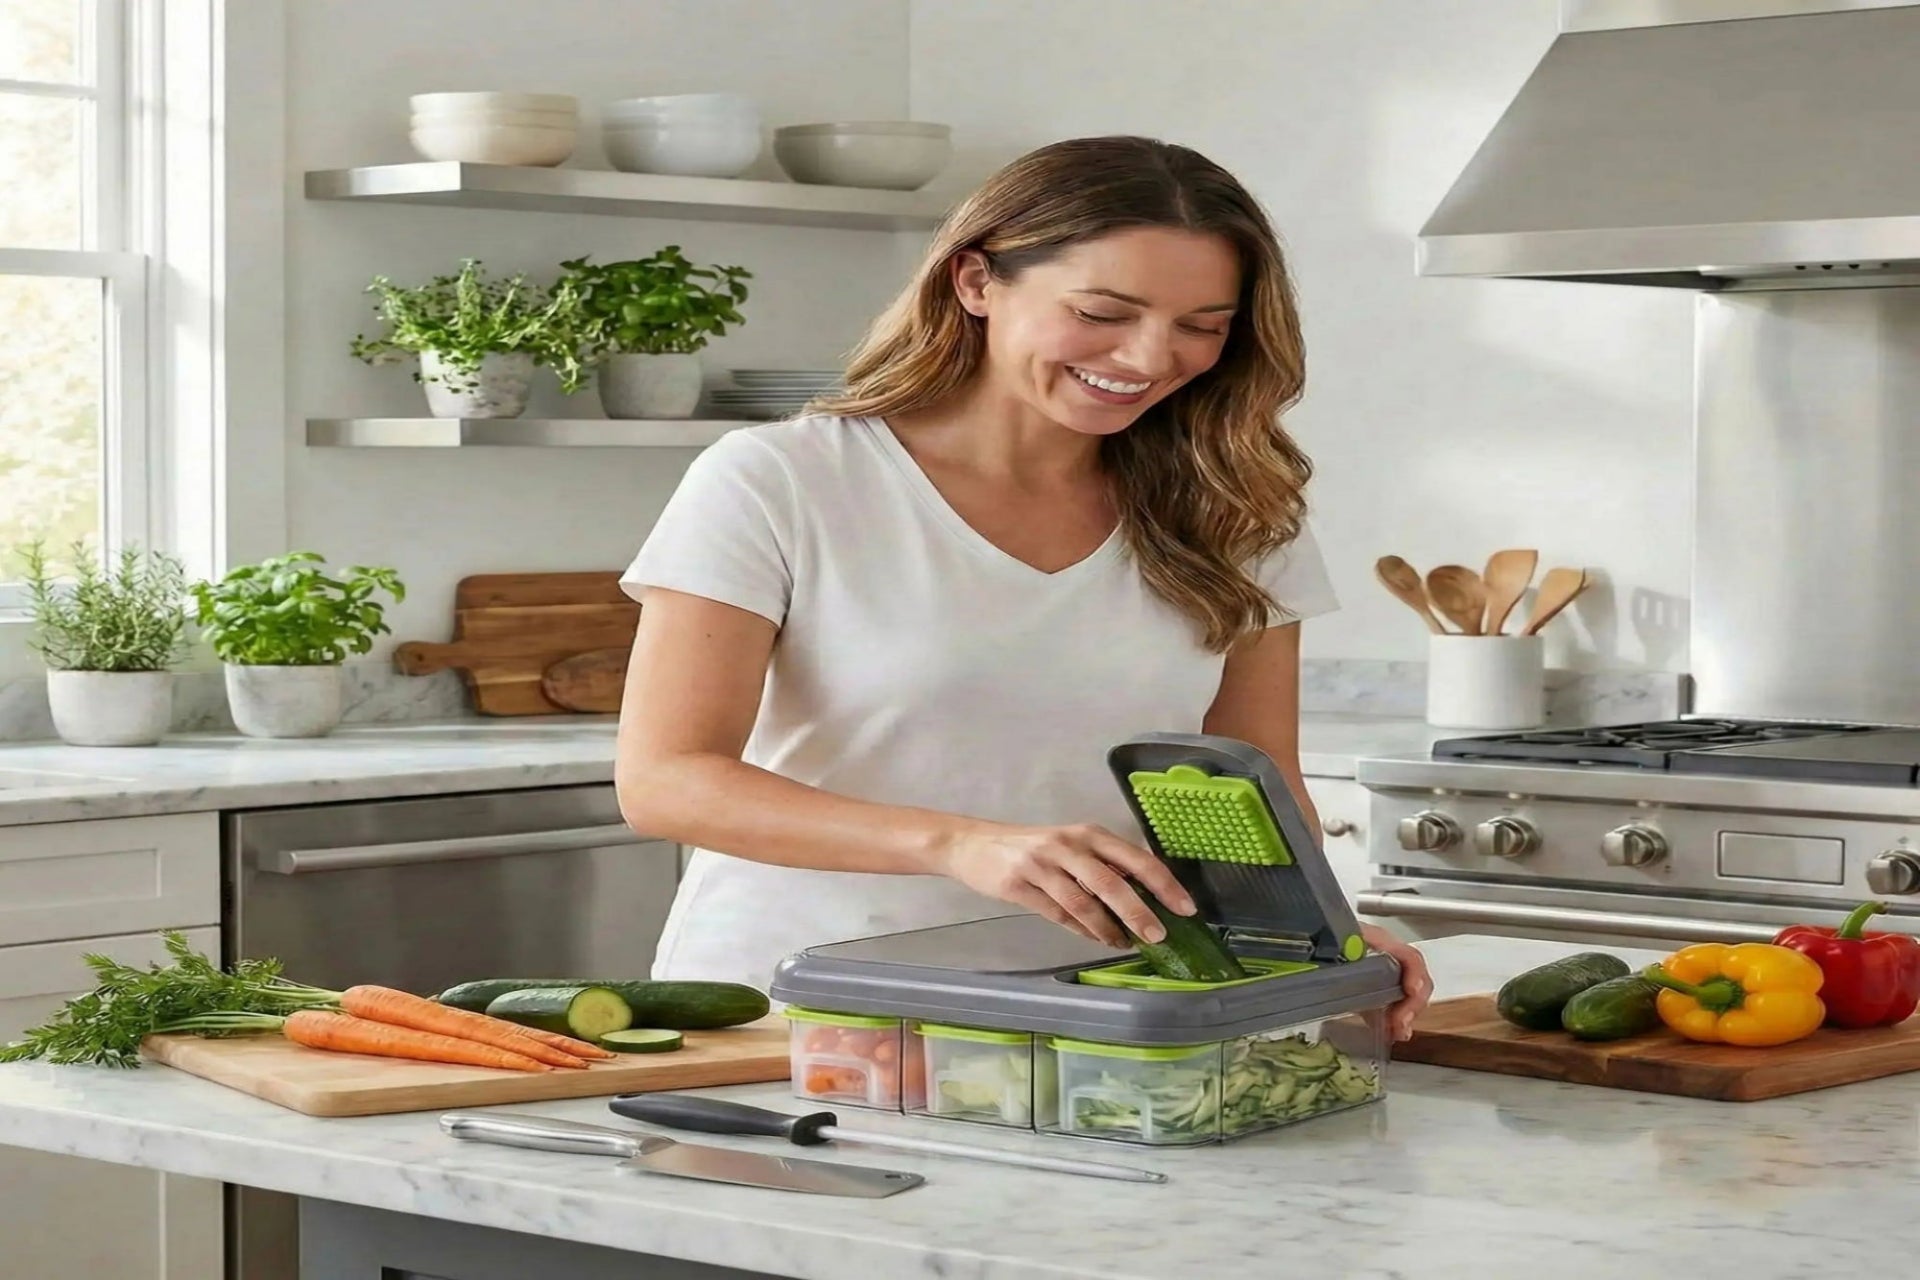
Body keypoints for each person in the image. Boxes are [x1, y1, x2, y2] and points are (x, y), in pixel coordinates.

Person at [613, 134, 1433, 1039]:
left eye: (1202, 325)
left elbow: (1254, 786)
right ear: (975, 283)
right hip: (802, 1011)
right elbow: (667, 781)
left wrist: (1317, 936)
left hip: (1101, 1016)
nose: (1151, 356)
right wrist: (960, 844)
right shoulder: (783, 479)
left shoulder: (1236, 507)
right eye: (1103, 311)